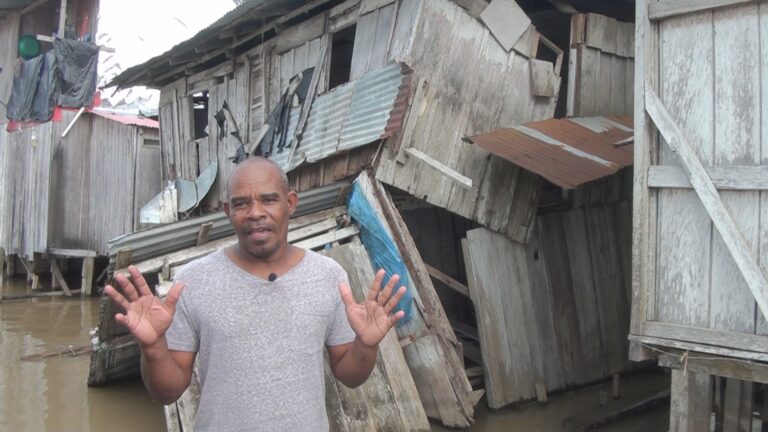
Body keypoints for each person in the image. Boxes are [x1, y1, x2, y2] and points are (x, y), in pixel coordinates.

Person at [105, 157, 407, 431]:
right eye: (241, 203)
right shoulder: (193, 281)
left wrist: (366, 346)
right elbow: (167, 391)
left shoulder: (328, 277)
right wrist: (154, 347)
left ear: (290, 203)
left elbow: (350, 375)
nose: (255, 213)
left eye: (268, 200)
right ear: (227, 212)